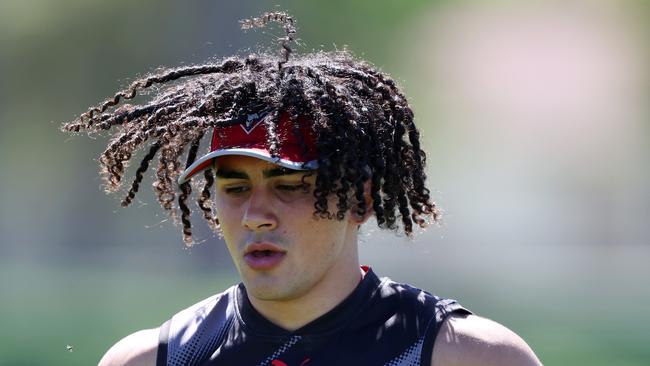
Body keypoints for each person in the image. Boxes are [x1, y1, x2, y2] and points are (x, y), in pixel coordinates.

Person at [63, 11, 542, 366]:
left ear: (360, 199)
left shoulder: (466, 356)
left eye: (289, 185)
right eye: (234, 187)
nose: (255, 214)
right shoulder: (154, 360)